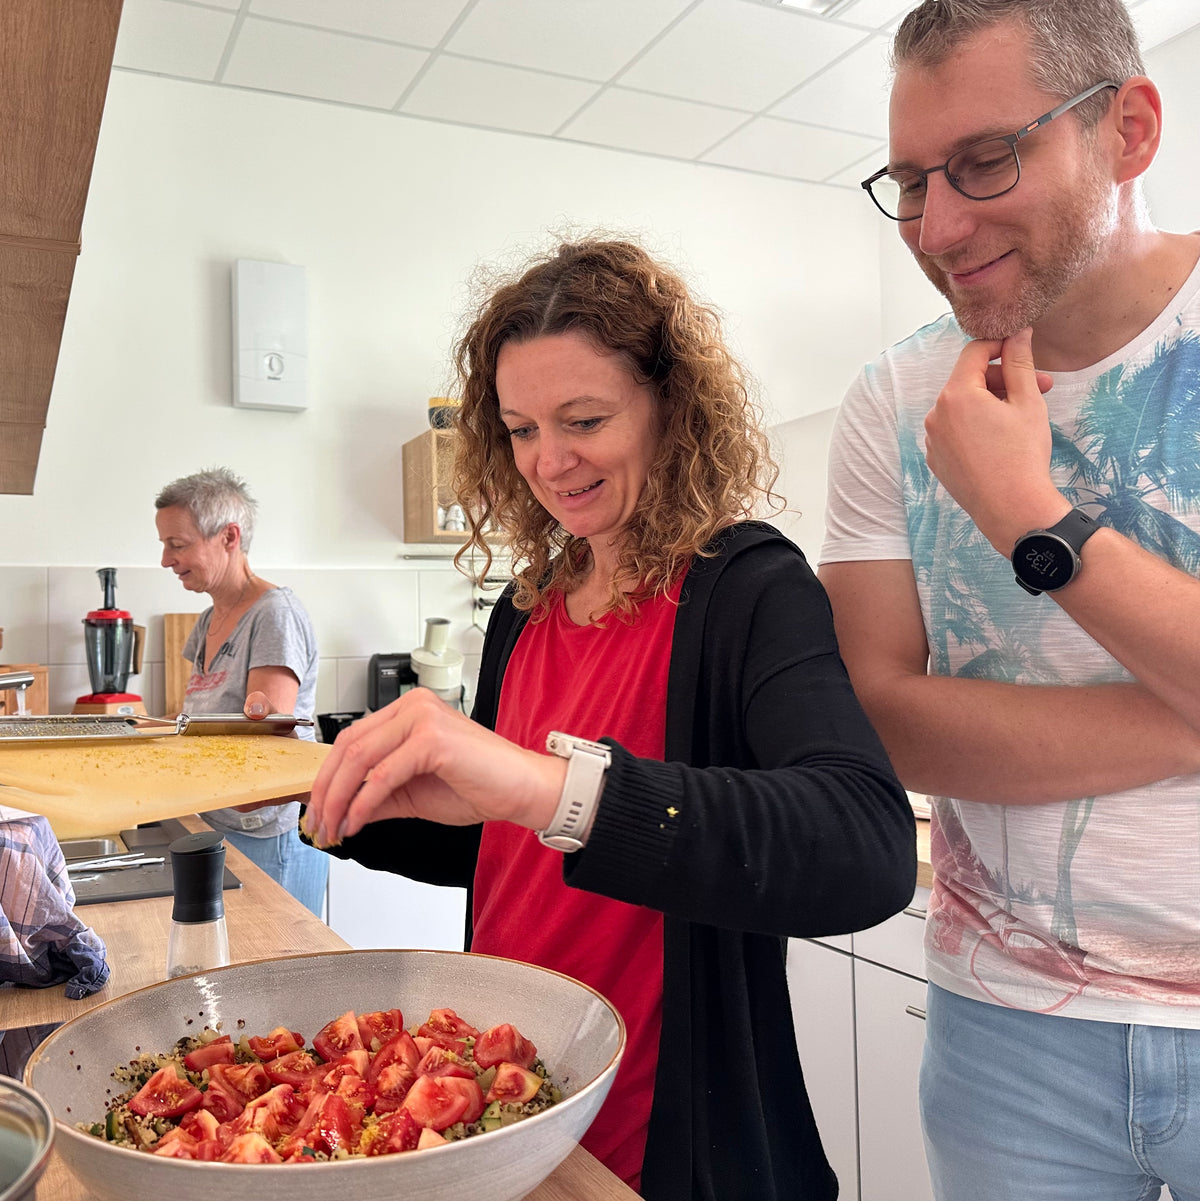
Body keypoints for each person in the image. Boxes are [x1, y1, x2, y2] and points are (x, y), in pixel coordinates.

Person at [301, 237, 916, 1199]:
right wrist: (341, 803)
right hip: (500, 1101)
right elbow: (511, 852)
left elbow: (864, 845)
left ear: (670, 410)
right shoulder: (525, 605)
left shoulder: (746, 586)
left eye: (584, 418)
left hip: (652, 1129)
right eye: (519, 428)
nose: (549, 461)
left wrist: (554, 785)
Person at [819, 1, 1200, 1198]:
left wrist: (1032, 520)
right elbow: (886, 716)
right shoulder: (892, 403)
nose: (937, 225)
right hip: (1008, 1029)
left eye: (986, 162)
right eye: (912, 180)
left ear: (1128, 129)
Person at [155, 467, 328, 918]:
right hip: (217, 818)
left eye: (177, 544)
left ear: (229, 537)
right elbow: (194, 718)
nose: (165, 560)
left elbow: (264, 748)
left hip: (268, 833)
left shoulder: (274, 615)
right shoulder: (207, 621)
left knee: (281, 973)